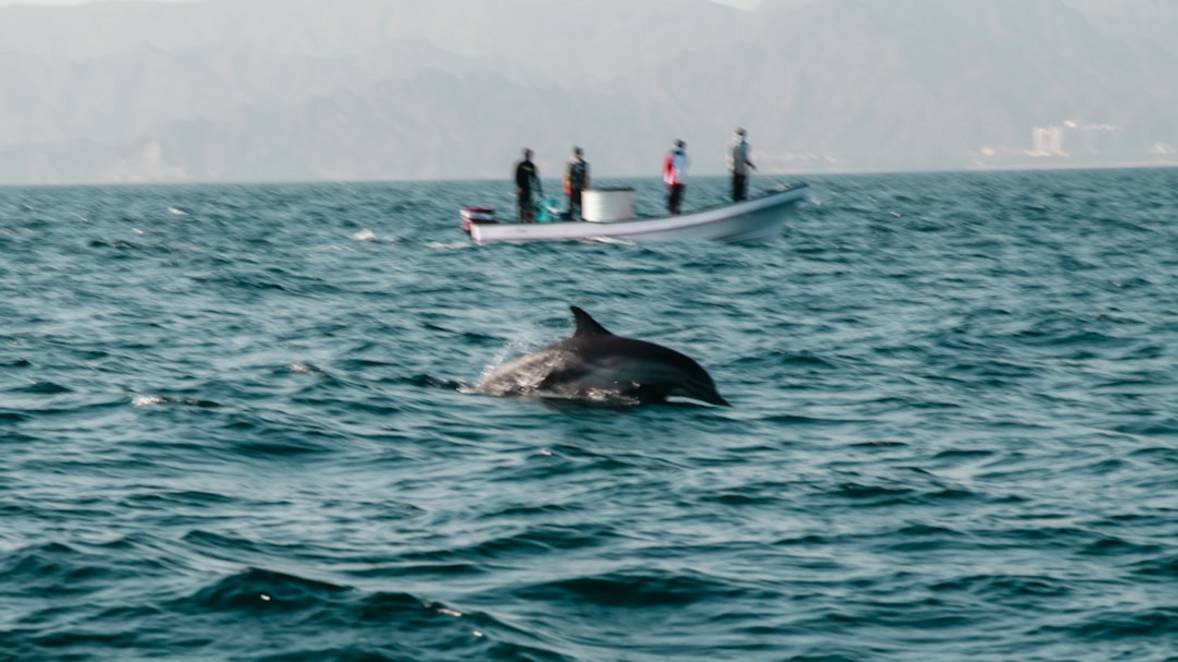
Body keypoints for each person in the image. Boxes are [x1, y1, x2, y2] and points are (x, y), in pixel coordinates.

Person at [728, 128, 756, 202]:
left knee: (742, 190)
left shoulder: (746, 145)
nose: (741, 136)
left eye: (742, 134)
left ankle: (742, 202)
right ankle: (735, 203)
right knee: (736, 191)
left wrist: (751, 165)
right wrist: (731, 167)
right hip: (735, 171)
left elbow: (745, 158)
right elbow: (730, 158)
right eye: (739, 134)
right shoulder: (733, 145)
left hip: (743, 171)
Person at [514, 148, 542, 223]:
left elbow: (535, 178)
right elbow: (517, 177)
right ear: (525, 155)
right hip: (522, 189)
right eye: (527, 154)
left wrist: (539, 190)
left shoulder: (532, 166)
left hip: (530, 189)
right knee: (522, 205)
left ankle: (529, 220)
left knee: (530, 205)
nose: (529, 156)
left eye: (530, 155)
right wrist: (519, 187)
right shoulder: (520, 165)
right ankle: (521, 220)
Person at [563, 146, 590, 220]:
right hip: (573, 187)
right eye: (577, 153)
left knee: (582, 203)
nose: (579, 155)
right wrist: (567, 188)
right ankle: (570, 217)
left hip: (581, 187)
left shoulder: (584, 164)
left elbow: (586, 176)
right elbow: (567, 177)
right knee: (572, 203)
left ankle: (583, 217)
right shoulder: (571, 164)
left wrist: (587, 186)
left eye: (580, 153)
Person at [663, 139, 688, 215]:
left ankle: (675, 211)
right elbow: (667, 167)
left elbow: (686, 165)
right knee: (673, 197)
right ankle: (672, 211)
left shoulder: (684, 155)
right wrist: (667, 179)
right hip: (674, 180)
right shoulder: (672, 155)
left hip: (680, 180)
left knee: (677, 197)